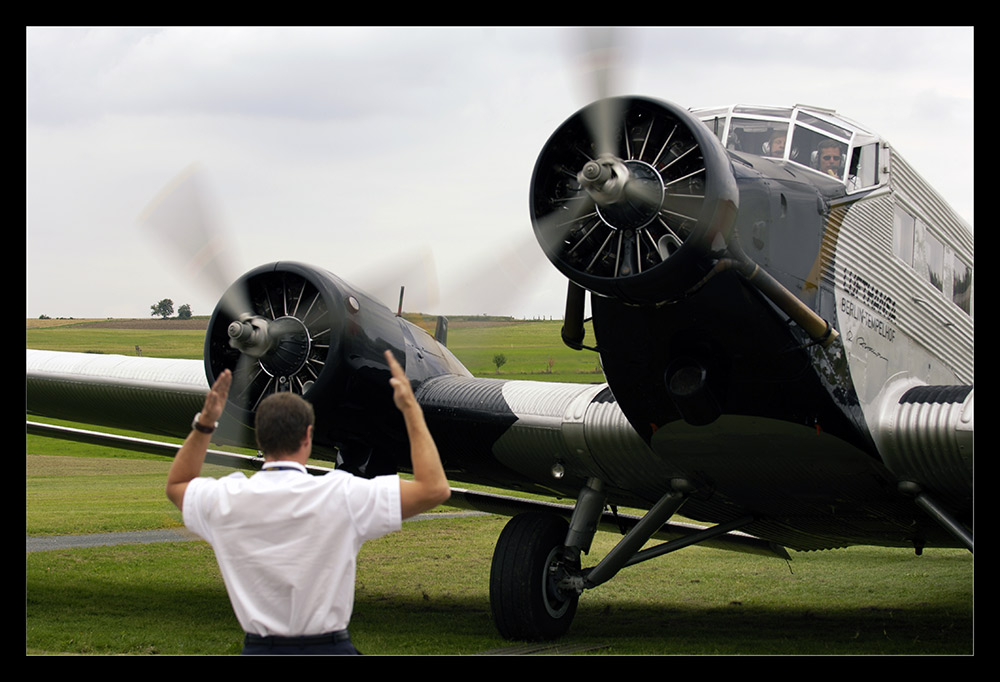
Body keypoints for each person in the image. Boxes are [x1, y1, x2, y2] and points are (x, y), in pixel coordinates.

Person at [166, 350, 451, 655]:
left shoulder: (227, 499)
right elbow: (434, 488)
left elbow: (177, 485)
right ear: (308, 436)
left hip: (259, 648)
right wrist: (410, 409)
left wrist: (205, 423)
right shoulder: (341, 494)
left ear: (261, 439)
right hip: (328, 647)